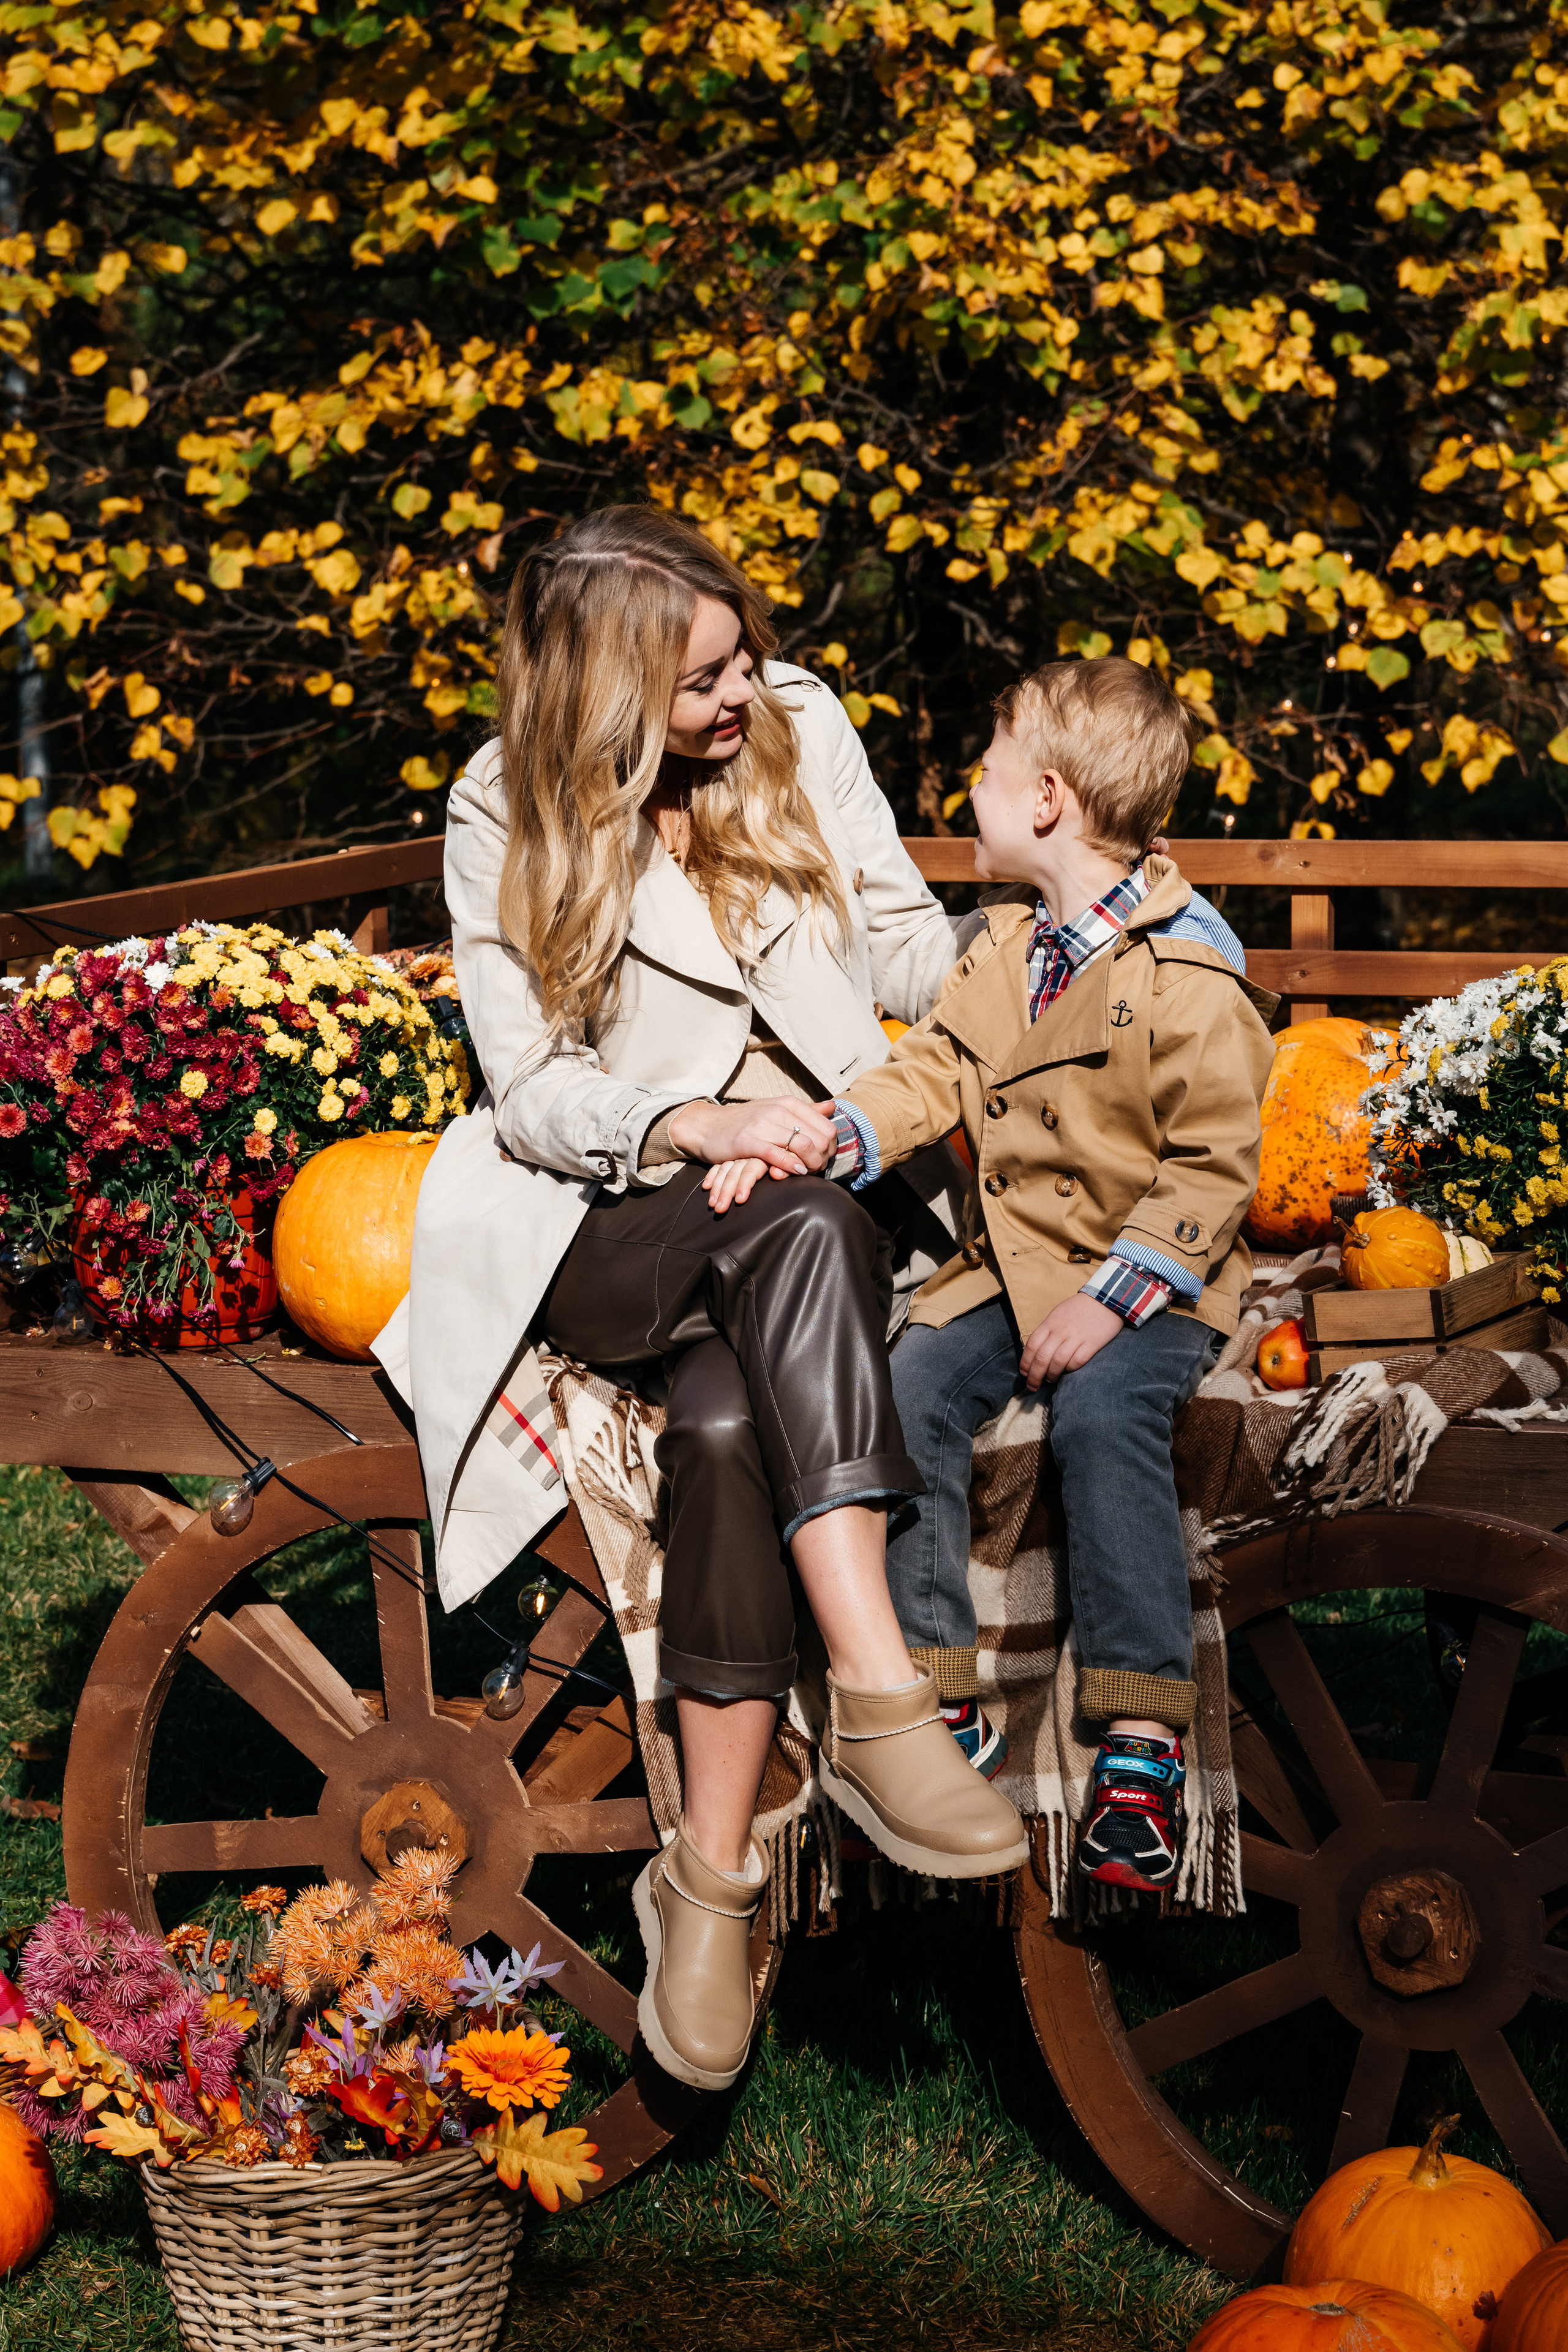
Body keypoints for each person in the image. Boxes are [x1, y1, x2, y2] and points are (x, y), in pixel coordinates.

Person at [385, 506, 1026, 2098]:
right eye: (699, 686)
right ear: (606, 697)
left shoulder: (800, 725)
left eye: (740, 657)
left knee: (729, 1418)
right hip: (614, 1221)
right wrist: (698, 1127)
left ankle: (709, 1883)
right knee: (790, 1212)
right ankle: (885, 1699)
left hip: (818, 1199)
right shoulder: (500, 807)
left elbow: (889, 937)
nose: (742, 697)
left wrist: (1025, 974)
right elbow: (530, 1092)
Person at [824, 656, 1276, 1893]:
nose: (965, 788)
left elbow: (1209, 1170)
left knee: (1101, 1410)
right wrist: (841, 1128)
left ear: (1046, 802)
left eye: (981, 767)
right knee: (905, 1383)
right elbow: (930, 1069)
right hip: (1013, 1268)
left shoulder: (1188, 976)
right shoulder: (1003, 948)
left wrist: (1113, 1298)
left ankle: (1140, 1730)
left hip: (1151, 1276)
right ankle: (936, 1688)